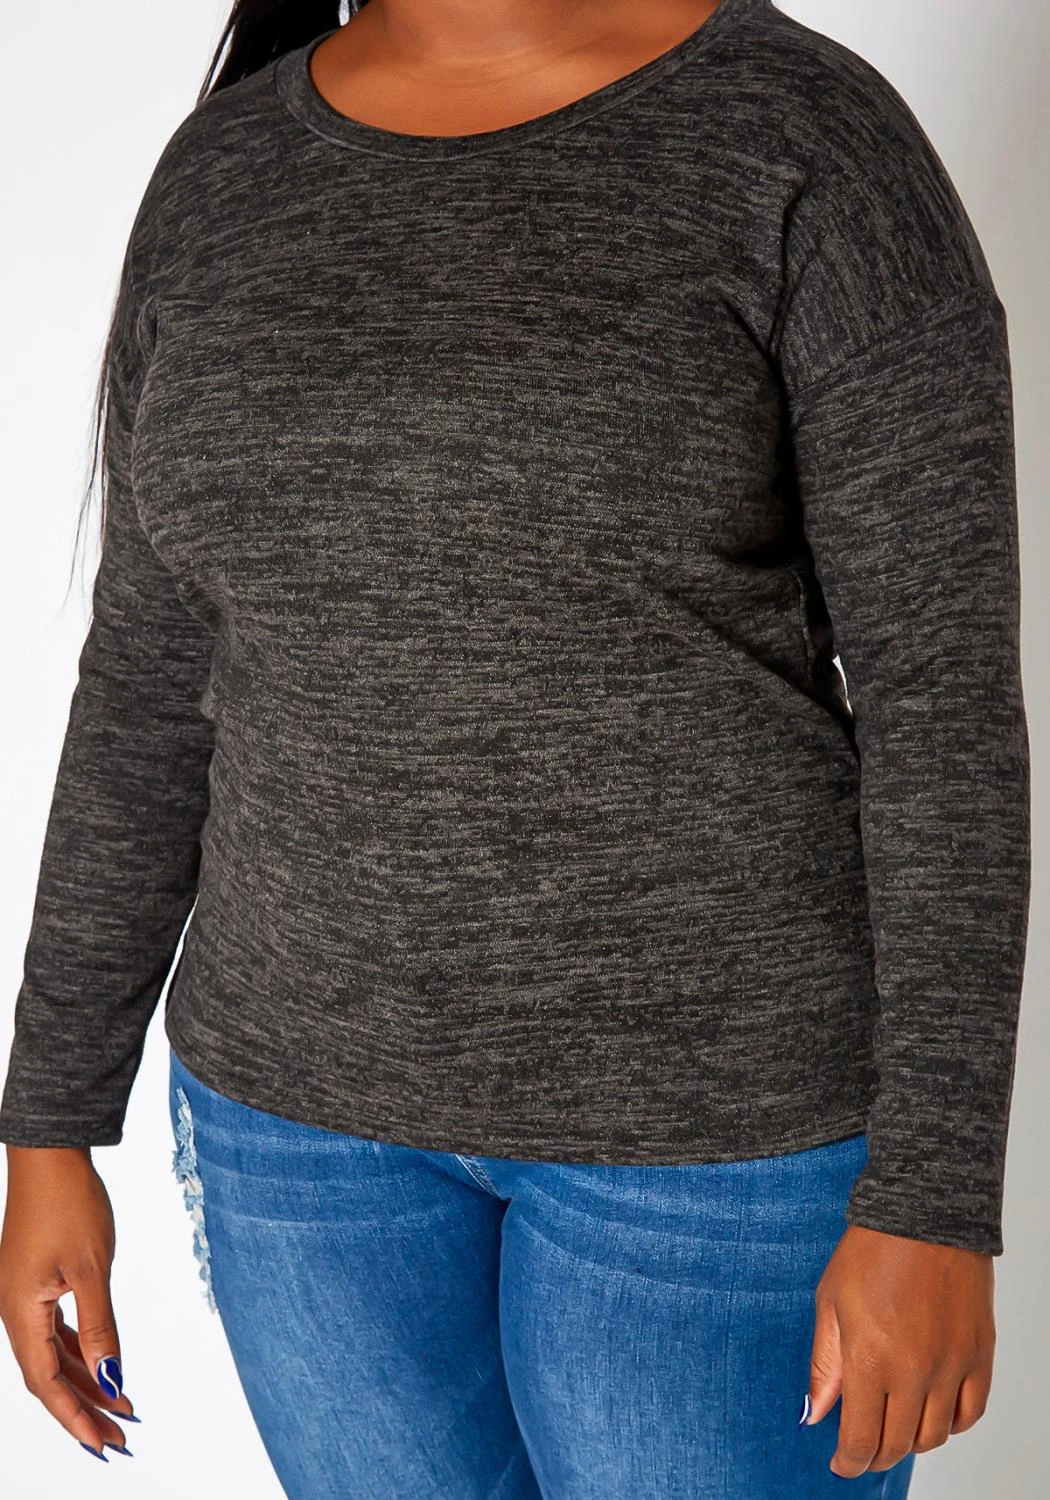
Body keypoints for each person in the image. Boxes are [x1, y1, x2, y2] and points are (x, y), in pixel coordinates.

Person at [0, 0, 1031, 1494]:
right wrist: (48, 1121)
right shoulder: (224, 172)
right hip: (296, 1140)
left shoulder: (801, 139)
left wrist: (932, 1196)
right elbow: (151, 680)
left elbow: (941, 703)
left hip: (717, 1147)